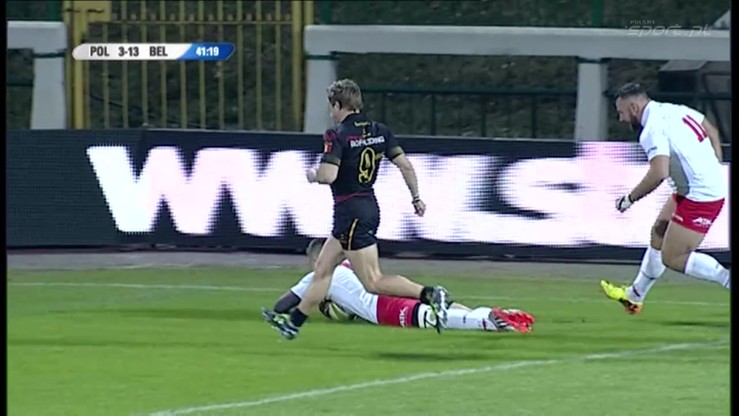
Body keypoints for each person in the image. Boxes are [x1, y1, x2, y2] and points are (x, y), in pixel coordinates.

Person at [262, 79, 450, 340]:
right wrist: (416, 197)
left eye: (332, 107)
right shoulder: (380, 130)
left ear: (339, 105)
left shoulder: (336, 135)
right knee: (323, 270)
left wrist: (313, 175)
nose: (331, 113)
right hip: (366, 207)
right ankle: (293, 324)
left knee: (373, 282)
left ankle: (429, 294)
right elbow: (405, 166)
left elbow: (328, 175)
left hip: (350, 212)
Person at [600, 82, 730, 314]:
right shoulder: (674, 109)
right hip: (689, 190)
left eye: (621, 112)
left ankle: (727, 279)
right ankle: (635, 296)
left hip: (701, 196)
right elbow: (711, 130)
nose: (621, 119)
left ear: (634, 108)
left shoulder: (651, 129)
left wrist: (629, 199)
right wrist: (715, 166)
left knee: (674, 257)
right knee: (659, 233)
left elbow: (659, 172)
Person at [272, 239, 535, 333]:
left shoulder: (317, 277)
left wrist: (313, 305)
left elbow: (282, 305)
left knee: (429, 319)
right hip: (390, 289)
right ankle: (491, 313)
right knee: (439, 308)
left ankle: (487, 321)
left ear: (318, 259)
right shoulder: (352, 265)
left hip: (379, 307)